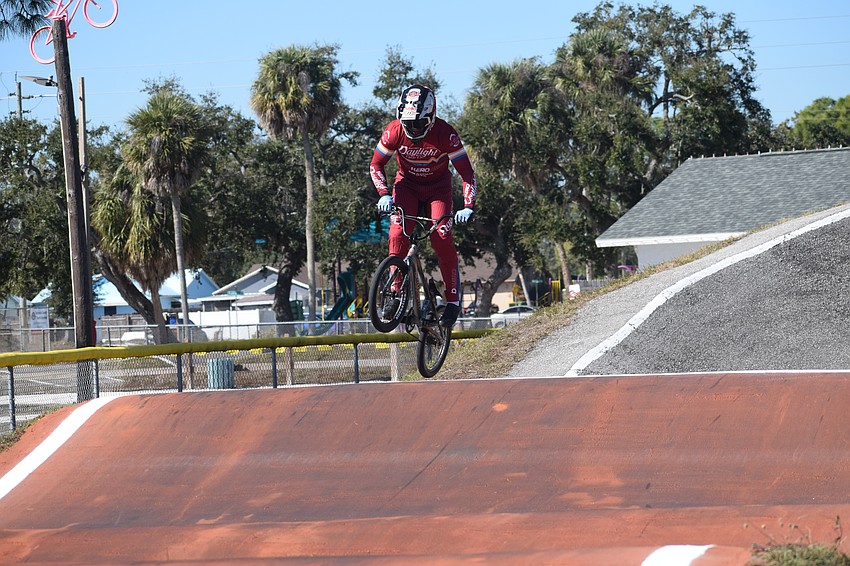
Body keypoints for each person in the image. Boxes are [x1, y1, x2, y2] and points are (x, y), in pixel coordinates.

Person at [369, 84, 477, 328]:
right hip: (406, 187)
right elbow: (376, 164)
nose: (413, 129)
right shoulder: (394, 131)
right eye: (408, 123)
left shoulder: (446, 134)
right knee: (397, 234)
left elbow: (467, 174)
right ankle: (395, 294)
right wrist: (383, 194)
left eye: (418, 123)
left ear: (431, 116)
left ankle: (452, 300)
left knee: (441, 237)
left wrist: (468, 206)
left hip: (438, 189)